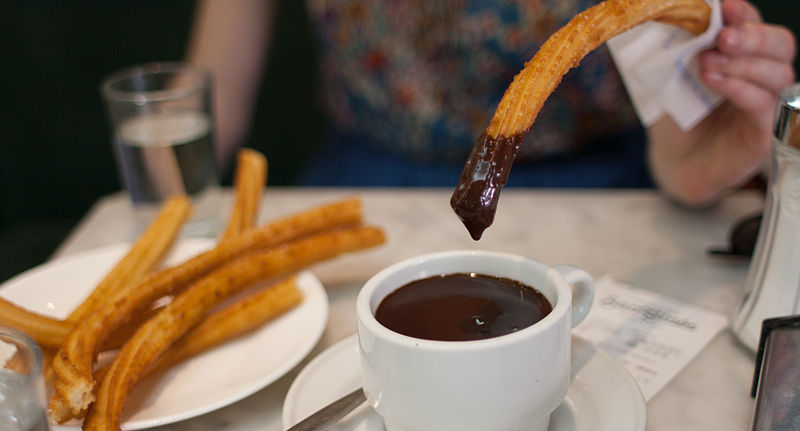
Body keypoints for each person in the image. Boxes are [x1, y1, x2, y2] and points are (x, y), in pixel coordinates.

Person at [187, 0, 795, 206]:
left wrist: (699, 151)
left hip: (600, 185)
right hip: (370, 186)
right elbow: (203, 111)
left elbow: (678, 117)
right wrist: (152, 213)